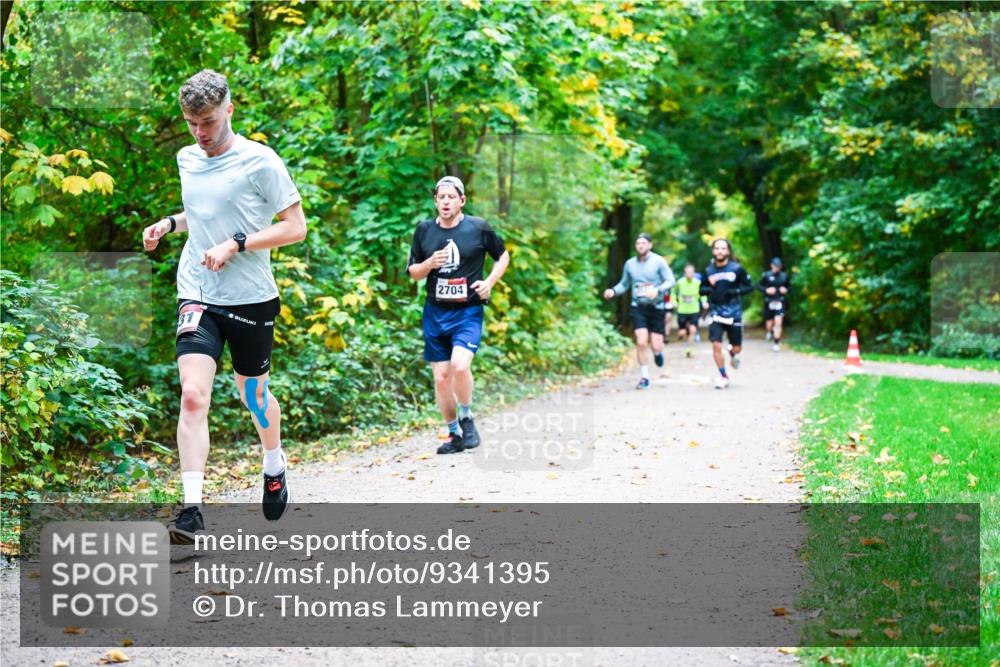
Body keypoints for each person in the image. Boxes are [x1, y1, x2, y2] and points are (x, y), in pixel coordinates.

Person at [142, 70, 306, 543]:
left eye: (209, 122)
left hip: (251, 297)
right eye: (193, 124)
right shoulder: (187, 158)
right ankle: (191, 509)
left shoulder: (261, 161)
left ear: (229, 110)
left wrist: (238, 243)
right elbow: (200, 212)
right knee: (193, 395)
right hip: (197, 291)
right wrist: (169, 225)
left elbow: (295, 228)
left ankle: (273, 463)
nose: (202, 133)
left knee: (254, 396)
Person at [407, 176, 510, 455]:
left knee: (460, 367)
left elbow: (503, 256)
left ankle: (467, 417)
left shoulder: (478, 228)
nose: (446, 202)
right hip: (435, 312)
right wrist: (429, 263)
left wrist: (489, 282)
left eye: (451, 197)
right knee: (441, 377)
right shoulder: (424, 231)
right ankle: (454, 434)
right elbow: (413, 272)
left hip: (468, 311)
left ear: (462, 200)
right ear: (435, 201)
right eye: (441, 197)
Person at [604, 233, 675, 389]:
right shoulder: (630, 264)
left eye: (643, 243)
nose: (641, 246)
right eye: (638, 243)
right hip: (638, 307)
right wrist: (613, 291)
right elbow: (624, 284)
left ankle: (657, 354)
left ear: (650, 245)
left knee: (656, 345)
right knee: (641, 342)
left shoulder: (659, 261)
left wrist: (658, 290)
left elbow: (670, 281)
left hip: (656, 307)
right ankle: (644, 378)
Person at [700, 239, 753, 389]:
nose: (720, 251)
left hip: (734, 311)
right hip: (716, 311)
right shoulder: (708, 271)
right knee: (716, 345)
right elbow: (701, 289)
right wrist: (709, 289)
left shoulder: (737, 268)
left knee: (737, 347)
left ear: (728, 251)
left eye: (723, 248)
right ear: (713, 251)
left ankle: (732, 352)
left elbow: (750, 286)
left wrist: (735, 291)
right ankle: (723, 376)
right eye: (717, 248)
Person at [672, 263, 707, 357]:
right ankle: (682, 334)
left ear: (694, 273)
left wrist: (704, 302)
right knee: (682, 332)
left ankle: (689, 349)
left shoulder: (697, 282)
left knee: (693, 330)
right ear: (684, 273)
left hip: (694, 310)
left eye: (692, 272)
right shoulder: (679, 282)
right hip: (682, 310)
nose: (690, 274)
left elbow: (702, 294)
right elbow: (673, 293)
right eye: (688, 272)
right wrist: (674, 301)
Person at [758, 257, 790, 352]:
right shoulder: (766, 275)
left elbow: (789, 287)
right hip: (769, 301)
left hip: (780, 301)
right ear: (771, 265)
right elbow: (759, 286)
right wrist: (766, 290)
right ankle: (770, 332)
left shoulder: (784, 276)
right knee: (769, 323)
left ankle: (776, 343)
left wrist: (786, 290)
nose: (777, 268)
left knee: (778, 322)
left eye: (779, 266)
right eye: (775, 266)